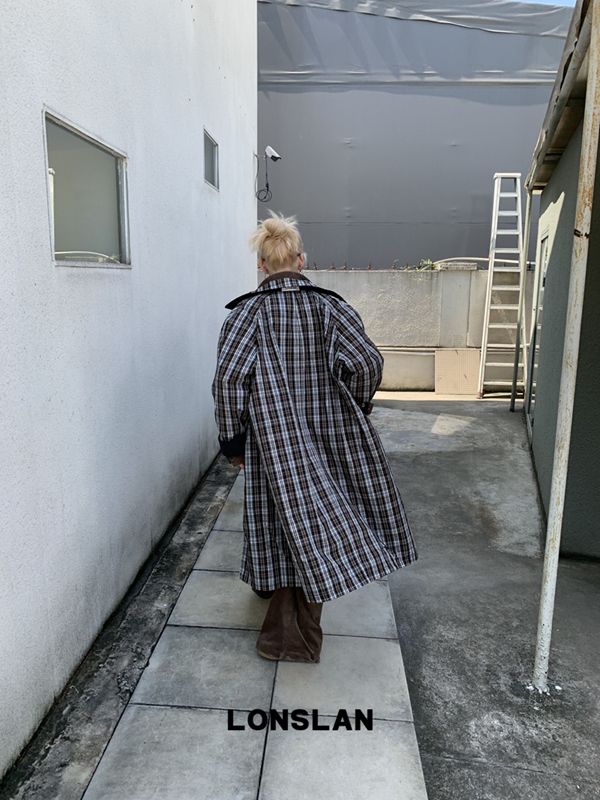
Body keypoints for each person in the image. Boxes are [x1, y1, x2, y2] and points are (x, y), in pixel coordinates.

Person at [211, 212, 417, 663]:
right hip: (332, 433)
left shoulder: (245, 315)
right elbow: (366, 363)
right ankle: (284, 601)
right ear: (301, 260)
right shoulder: (332, 308)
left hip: (272, 439)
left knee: (276, 513)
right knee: (319, 512)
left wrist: (233, 440)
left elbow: (228, 381)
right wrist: (353, 405)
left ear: (262, 265)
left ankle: (287, 633)